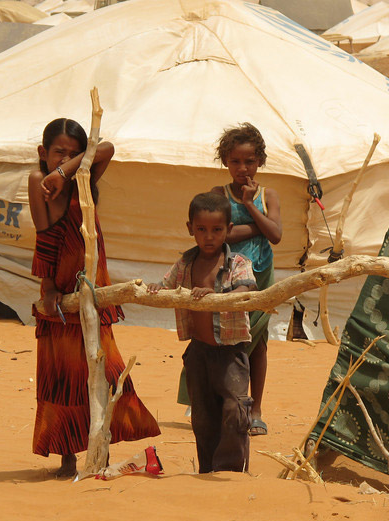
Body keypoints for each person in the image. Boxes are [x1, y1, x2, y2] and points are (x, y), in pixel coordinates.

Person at [28, 118, 160, 477]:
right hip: (59, 291)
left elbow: (107, 149)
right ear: (43, 153)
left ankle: (99, 443)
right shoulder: (38, 182)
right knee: (65, 376)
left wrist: (69, 170)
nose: (64, 160)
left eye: (73, 154)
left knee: (107, 369)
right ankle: (67, 453)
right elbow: (45, 238)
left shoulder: (82, 180)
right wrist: (51, 289)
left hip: (93, 290)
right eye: (58, 153)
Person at [148, 192, 257, 473]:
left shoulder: (238, 263)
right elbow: (166, 285)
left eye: (217, 230)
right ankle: (207, 470)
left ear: (229, 230)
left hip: (230, 353)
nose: (209, 236)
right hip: (198, 353)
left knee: (234, 410)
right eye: (201, 230)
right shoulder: (185, 263)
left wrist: (218, 294)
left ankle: (231, 471)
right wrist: (156, 289)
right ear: (190, 229)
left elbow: (247, 288)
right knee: (203, 417)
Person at [212, 123, 281, 437]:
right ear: (226, 161)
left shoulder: (269, 195)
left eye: (249, 161)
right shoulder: (218, 195)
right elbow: (220, 233)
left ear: (260, 161)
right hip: (226, 275)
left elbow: (277, 235)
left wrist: (251, 205)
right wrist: (259, 226)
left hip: (262, 276)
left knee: (257, 343)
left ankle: (256, 409)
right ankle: (222, 401)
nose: (243, 168)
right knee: (223, 339)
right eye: (236, 161)